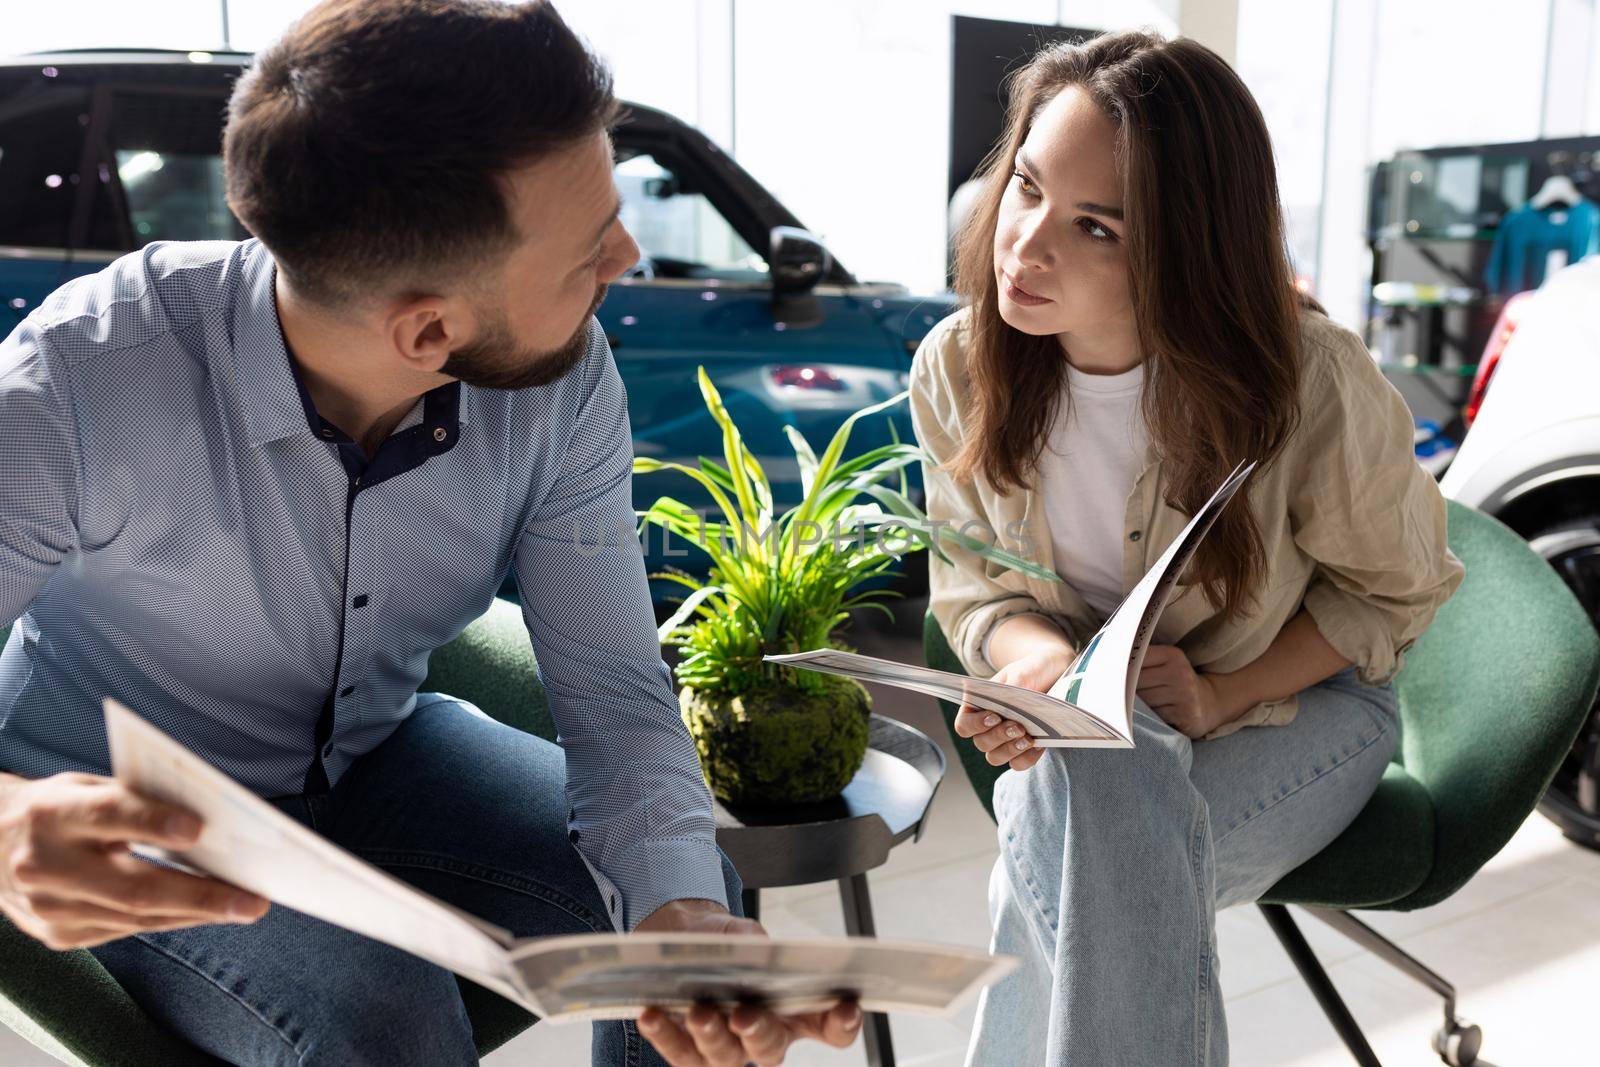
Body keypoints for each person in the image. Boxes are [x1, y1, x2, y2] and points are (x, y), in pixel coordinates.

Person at [0, 2, 860, 1064]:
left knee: (690, 907)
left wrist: (674, 907)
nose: (628, 258)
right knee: (383, 1012)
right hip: (142, 811)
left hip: (380, 749)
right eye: (588, 253)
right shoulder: (73, 386)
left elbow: (617, 697)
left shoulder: (565, 376)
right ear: (429, 332)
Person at [908, 30, 1465, 1066]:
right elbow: (974, 582)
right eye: (1026, 185)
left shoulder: (1305, 382)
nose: (1026, 244)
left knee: (1080, 822)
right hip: (1092, 733)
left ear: (1187, 246)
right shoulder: (957, 365)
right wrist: (1031, 662)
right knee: (1100, 792)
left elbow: (1398, 592)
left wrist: (1224, 691)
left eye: (1097, 228)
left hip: (1300, 711)